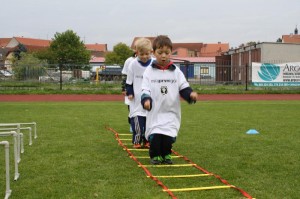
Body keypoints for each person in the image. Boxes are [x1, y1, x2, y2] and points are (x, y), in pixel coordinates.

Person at [141, 35, 198, 164]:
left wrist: (190, 95)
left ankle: (166, 153)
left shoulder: (176, 71)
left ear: (170, 53)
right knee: (155, 136)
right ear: (154, 53)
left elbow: (183, 87)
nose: (163, 56)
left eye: (167, 53)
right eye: (160, 53)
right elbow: (145, 89)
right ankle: (155, 155)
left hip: (171, 111)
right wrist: (146, 100)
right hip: (156, 111)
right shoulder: (149, 71)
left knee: (168, 136)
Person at [126, 37, 154, 149]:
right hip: (136, 100)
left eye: (147, 54)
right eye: (141, 54)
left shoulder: (154, 64)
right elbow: (129, 82)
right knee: (137, 124)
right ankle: (136, 140)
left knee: (149, 123)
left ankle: (147, 140)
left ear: (151, 52)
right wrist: (130, 93)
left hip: (150, 99)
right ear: (137, 53)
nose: (144, 57)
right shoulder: (132, 64)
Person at [121, 52, 136, 133]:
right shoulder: (129, 61)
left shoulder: (149, 60)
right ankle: (132, 125)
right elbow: (124, 75)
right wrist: (123, 88)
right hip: (130, 88)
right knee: (131, 108)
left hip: (143, 89)